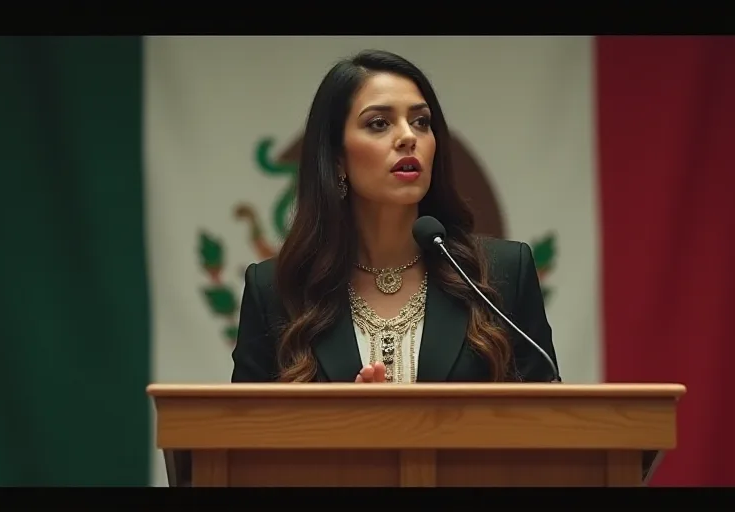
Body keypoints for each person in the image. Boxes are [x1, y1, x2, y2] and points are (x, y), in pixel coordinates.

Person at [231, 49, 560, 384]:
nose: (408, 136)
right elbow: (242, 432)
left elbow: (548, 423)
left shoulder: (502, 273)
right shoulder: (276, 291)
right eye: (379, 123)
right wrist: (346, 426)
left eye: (421, 122)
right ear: (337, 159)